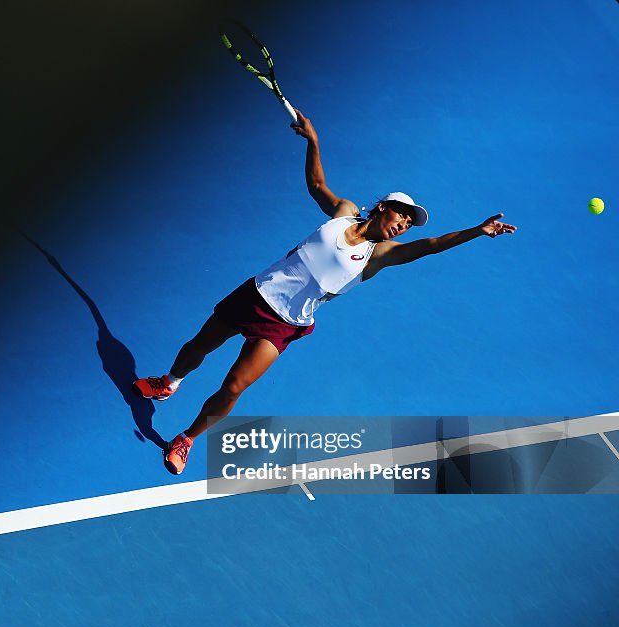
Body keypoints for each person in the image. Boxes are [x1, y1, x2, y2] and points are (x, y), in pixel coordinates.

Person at [133, 108, 517, 475]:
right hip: (257, 293)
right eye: (401, 214)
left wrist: (475, 232)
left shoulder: (377, 257)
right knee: (198, 346)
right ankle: (169, 383)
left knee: (234, 387)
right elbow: (317, 185)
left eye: (408, 223)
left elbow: (430, 245)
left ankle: (186, 439)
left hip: (284, 324)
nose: (404, 224)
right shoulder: (344, 213)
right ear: (383, 207)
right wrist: (312, 140)